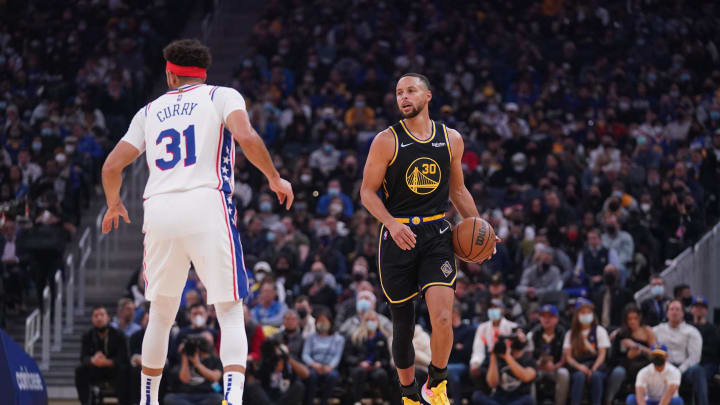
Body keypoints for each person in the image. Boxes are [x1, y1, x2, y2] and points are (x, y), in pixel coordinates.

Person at [100, 39, 293, 405]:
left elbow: (111, 165)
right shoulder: (222, 96)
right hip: (207, 204)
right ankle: (233, 399)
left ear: (171, 73)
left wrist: (113, 204)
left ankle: (148, 400)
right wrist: (273, 176)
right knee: (230, 309)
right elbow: (246, 136)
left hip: (159, 210)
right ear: (203, 71)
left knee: (160, 313)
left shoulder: (149, 110)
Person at [360, 72, 496, 404]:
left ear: (428, 96)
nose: (403, 97)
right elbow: (367, 192)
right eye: (399, 92)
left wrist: (482, 229)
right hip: (398, 237)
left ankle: (436, 383)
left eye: (410, 91)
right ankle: (408, 394)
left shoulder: (451, 139)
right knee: (403, 326)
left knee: (443, 316)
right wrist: (391, 224)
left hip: (437, 234)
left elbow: (458, 190)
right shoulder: (386, 140)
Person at [653, 300, 708, 405]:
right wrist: (618, 331)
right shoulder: (658, 329)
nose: (674, 312)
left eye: (678, 309)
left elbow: (695, 358)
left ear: (683, 313)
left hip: (684, 369)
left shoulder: (692, 331)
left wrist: (679, 370)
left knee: (698, 370)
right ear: (667, 313)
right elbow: (642, 330)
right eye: (671, 309)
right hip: (663, 366)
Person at [75, 306, 131, 405]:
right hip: (96, 369)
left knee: (125, 370)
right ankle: (85, 402)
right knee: (80, 370)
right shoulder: (87, 336)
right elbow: (83, 358)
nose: (99, 318)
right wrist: (93, 360)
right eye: (96, 316)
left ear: (108, 318)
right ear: (92, 319)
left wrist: (108, 362)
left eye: (102, 315)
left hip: (114, 369)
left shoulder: (118, 335)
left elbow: (123, 358)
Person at [606, 305, 656, 405]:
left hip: (644, 363)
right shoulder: (620, 334)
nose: (632, 321)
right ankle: (608, 400)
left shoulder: (647, 331)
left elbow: (655, 353)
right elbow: (613, 358)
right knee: (618, 372)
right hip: (624, 364)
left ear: (640, 318)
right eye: (629, 319)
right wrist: (628, 357)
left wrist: (639, 347)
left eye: (635, 318)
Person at [564, 298, 611, 405]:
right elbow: (568, 357)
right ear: (577, 315)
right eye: (583, 312)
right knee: (579, 376)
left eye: (589, 312)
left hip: (596, 365)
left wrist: (593, 368)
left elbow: (602, 354)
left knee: (596, 376)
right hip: (578, 366)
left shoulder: (599, 330)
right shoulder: (570, 333)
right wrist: (580, 367)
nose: (586, 315)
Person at [471, 330, 536, 405]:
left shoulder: (529, 360)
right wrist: (493, 356)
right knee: (477, 396)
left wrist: (507, 357)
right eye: (515, 336)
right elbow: (492, 383)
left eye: (521, 337)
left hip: (517, 398)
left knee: (528, 400)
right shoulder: (500, 357)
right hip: (498, 398)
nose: (518, 338)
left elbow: (525, 376)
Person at [343, 310, 392, 404]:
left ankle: (386, 400)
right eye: (368, 320)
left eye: (373, 320)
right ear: (364, 322)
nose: (371, 322)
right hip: (360, 366)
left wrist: (380, 363)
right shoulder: (355, 337)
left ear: (377, 321)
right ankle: (357, 401)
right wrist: (359, 362)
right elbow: (348, 357)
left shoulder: (382, 337)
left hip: (376, 368)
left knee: (381, 374)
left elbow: (386, 358)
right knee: (359, 372)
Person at [165, 332, 224, 405]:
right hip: (185, 395)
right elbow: (185, 379)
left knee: (219, 399)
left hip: (207, 395)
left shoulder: (215, 360)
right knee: (169, 399)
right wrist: (185, 355)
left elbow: (215, 377)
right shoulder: (184, 357)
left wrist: (197, 363)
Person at [243, 339, 309, 405]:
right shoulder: (267, 360)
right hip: (267, 395)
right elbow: (256, 380)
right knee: (252, 386)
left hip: (285, 396)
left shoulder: (291, 359)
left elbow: (306, 374)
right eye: (276, 348)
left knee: (299, 386)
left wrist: (287, 358)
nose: (278, 351)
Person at [527, 304, 569, 405]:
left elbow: (565, 356)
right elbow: (528, 357)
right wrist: (537, 365)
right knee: (528, 374)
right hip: (538, 368)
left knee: (564, 374)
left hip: (556, 367)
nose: (546, 319)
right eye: (543, 316)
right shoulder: (532, 334)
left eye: (550, 316)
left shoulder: (563, 333)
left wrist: (555, 366)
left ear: (557, 319)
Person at [301, 309, 345, 405]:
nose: (322, 323)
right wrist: (314, 365)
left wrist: (330, 367)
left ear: (330, 322)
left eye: (325, 321)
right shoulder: (310, 337)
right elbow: (305, 354)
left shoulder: (338, 338)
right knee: (311, 376)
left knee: (333, 376)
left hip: (329, 367)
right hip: (314, 366)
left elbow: (337, 356)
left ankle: (324, 402)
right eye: (320, 321)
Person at [447, 301, 475, 405]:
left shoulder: (469, 330)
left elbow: (467, 351)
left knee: (450, 371)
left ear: (455, 312)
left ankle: (457, 402)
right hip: (446, 364)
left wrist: (451, 347)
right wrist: (456, 346)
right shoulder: (445, 330)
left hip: (463, 365)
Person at [592, 264, 634, 329]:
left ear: (617, 275)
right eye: (606, 272)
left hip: (619, 329)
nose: (608, 274)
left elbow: (630, 313)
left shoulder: (626, 293)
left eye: (611, 272)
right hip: (601, 329)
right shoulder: (598, 294)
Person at [689, 296, 720, 384]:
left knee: (700, 373)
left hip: (707, 363)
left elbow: (712, 350)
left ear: (706, 310)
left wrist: (694, 349)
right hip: (689, 362)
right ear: (691, 309)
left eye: (702, 307)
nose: (699, 309)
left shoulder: (713, 329)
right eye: (696, 307)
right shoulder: (686, 327)